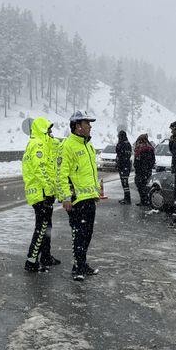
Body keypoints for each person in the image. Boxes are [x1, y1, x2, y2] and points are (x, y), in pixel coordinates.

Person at [59, 110, 101, 281]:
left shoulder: (88, 145)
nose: (90, 126)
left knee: (88, 233)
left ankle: (82, 263)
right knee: (79, 234)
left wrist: (95, 191)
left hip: (89, 198)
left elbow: (91, 172)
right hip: (77, 200)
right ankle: (77, 268)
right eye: (87, 123)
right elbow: (61, 174)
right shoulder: (68, 146)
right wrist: (66, 197)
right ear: (78, 127)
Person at [22, 117, 62, 272]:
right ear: (42, 130)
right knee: (42, 227)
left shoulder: (39, 143)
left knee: (47, 226)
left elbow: (55, 146)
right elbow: (41, 169)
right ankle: (31, 261)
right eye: (49, 130)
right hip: (41, 194)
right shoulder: (38, 144)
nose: (51, 133)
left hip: (41, 193)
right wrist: (50, 190)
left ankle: (45, 256)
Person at [133, 134, 155, 206]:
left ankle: (145, 201)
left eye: (140, 140)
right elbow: (152, 161)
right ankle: (144, 200)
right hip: (143, 171)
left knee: (142, 186)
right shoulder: (147, 148)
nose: (139, 142)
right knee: (142, 186)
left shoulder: (145, 149)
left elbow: (148, 161)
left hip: (142, 171)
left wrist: (143, 168)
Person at [115, 130, 133, 204]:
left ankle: (127, 199)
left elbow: (119, 153)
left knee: (124, 182)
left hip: (123, 165)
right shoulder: (128, 144)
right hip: (126, 165)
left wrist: (119, 163)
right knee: (125, 182)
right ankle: (126, 198)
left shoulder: (121, 144)